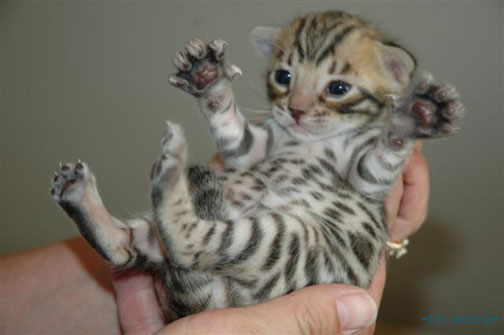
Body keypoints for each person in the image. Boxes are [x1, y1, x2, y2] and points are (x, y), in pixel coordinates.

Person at [1, 143, 428, 335]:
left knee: (188, 233)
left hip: (243, 281)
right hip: (262, 280)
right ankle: (124, 239)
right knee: (197, 221)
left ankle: (120, 239)